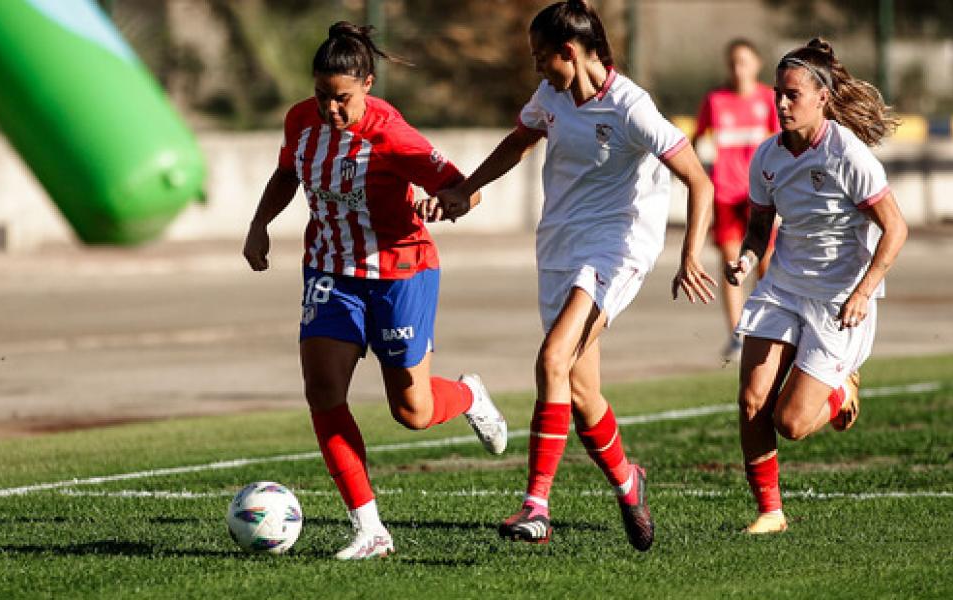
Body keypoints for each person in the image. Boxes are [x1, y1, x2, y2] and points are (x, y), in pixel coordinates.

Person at [426, 0, 716, 551]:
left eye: (541, 56)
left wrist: (691, 255)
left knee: (552, 359)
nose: (535, 66)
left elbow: (698, 181)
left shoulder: (632, 107)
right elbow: (518, 141)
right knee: (581, 393)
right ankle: (629, 482)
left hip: (618, 246)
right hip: (559, 244)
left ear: (570, 51)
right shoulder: (552, 97)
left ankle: (537, 506)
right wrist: (466, 189)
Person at [241, 21, 508, 560]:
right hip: (330, 274)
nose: (329, 110)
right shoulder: (300, 121)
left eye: (341, 99)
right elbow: (288, 174)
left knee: (411, 410)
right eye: (321, 96)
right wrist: (259, 224)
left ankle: (470, 395)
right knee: (323, 392)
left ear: (367, 84)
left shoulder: (394, 135)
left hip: (401, 272)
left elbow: (464, 190)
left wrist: (449, 201)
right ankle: (370, 528)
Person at [724, 38, 907, 534]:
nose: (781, 104)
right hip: (782, 287)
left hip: (838, 300)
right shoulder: (767, 156)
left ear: (822, 98)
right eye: (777, 94)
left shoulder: (849, 156)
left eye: (792, 95)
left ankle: (842, 389)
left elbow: (896, 229)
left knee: (793, 424)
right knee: (751, 399)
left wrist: (864, 292)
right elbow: (760, 229)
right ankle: (770, 512)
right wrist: (745, 259)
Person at [692, 39, 781, 362]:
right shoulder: (715, 100)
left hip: (759, 195)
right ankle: (738, 333)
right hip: (726, 194)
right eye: (733, 62)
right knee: (732, 262)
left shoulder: (767, 100)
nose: (738, 68)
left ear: (756, 64)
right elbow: (695, 140)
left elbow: (780, 141)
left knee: (766, 260)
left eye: (744, 61)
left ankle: (771, 325)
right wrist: (700, 175)